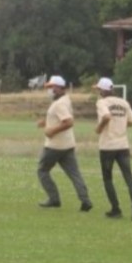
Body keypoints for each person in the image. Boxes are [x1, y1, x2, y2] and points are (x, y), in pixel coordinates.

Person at [36, 75, 93, 211]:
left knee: (42, 171)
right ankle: (85, 200)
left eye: (51, 87)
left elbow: (68, 122)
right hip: (68, 144)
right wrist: (46, 122)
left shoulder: (59, 103)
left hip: (54, 146)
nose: (49, 90)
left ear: (59, 88)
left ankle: (54, 199)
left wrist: (51, 131)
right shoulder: (65, 100)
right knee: (74, 174)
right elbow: (61, 118)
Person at [94, 77, 132, 221]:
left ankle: (116, 209)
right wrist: (121, 126)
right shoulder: (123, 102)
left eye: (98, 89)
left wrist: (99, 128)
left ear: (102, 90)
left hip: (107, 145)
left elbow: (107, 116)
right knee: (129, 177)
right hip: (123, 145)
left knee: (108, 178)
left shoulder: (102, 102)